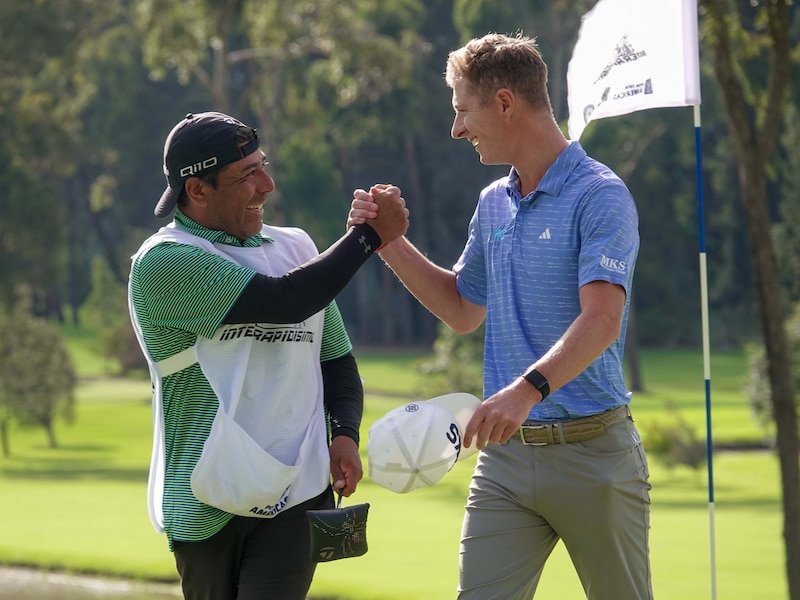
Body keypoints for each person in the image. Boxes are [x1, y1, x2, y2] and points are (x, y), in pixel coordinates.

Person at [350, 34, 651, 599]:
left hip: (596, 458)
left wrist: (524, 392)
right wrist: (388, 243)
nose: (457, 129)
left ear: (506, 103)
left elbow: (603, 319)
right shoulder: (494, 201)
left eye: (463, 110)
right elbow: (464, 309)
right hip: (507, 465)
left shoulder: (600, 195)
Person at [128, 111, 408, 600]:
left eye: (263, 165)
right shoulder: (163, 262)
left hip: (299, 492)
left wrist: (343, 434)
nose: (267, 184)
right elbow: (281, 303)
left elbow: (336, 360)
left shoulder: (297, 246)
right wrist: (368, 237)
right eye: (246, 176)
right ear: (197, 190)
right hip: (206, 501)